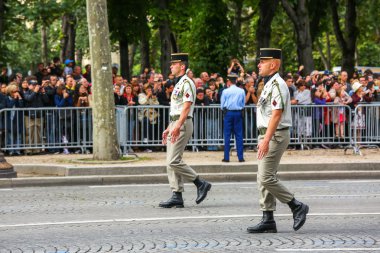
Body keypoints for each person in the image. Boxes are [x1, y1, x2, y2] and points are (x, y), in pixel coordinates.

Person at [247, 48, 309, 233]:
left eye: (262, 61)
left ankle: (296, 205)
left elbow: (276, 115)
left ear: (273, 64)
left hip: (275, 134)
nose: (259, 64)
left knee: (266, 177)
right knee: (262, 178)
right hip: (267, 134)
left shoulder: (278, 85)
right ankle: (268, 218)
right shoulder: (268, 84)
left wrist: (266, 139)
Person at [159, 53, 211, 208]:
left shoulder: (187, 82)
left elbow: (186, 106)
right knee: (171, 162)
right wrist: (169, 127)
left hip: (182, 124)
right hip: (176, 123)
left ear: (182, 66)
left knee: (173, 160)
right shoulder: (179, 83)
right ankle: (177, 194)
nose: (170, 66)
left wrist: (177, 126)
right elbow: (177, 108)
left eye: (173, 64)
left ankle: (200, 183)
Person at [220, 74, 245, 162]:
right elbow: (243, 103)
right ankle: (240, 157)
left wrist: (224, 109)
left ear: (229, 81)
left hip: (228, 113)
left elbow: (222, 105)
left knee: (227, 135)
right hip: (238, 113)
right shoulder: (241, 91)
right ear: (236, 80)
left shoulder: (225, 91)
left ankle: (226, 157)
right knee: (239, 135)